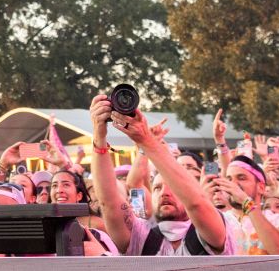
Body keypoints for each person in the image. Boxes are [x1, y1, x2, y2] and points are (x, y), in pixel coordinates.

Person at [89, 94, 235, 256]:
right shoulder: (140, 237)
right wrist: (99, 136)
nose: (164, 193)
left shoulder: (212, 228)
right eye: (157, 188)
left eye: (172, 187)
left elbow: (197, 204)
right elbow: (108, 202)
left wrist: (146, 139)